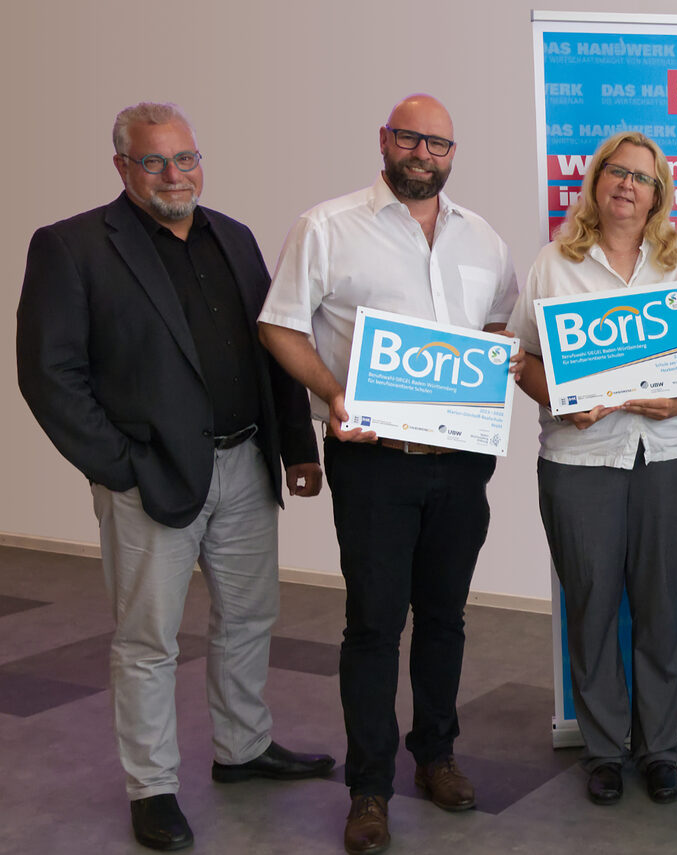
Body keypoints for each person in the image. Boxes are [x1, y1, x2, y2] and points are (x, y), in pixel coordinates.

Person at [15, 101, 334, 852]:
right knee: (148, 640)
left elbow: (274, 345)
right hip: (149, 480)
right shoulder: (72, 247)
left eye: (185, 158)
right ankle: (152, 786)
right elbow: (49, 374)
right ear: (121, 165)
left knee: (249, 618)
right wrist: (119, 468)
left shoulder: (236, 236)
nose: (173, 174)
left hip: (245, 462)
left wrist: (297, 446)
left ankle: (244, 747)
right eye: (154, 160)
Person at [257, 94, 518, 855]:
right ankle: (368, 786)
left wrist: (493, 363)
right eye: (410, 138)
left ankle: (435, 755)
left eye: (438, 143)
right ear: (385, 140)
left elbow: (499, 326)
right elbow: (279, 322)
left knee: (445, 616)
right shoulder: (327, 227)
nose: (423, 154)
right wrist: (333, 394)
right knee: (374, 623)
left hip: (461, 461)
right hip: (373, 460)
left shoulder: (483, 239)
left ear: (452, 152)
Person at [510, 131, 677, 807]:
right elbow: (524, 360)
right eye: (616, 173)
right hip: (580, 461)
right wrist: (558, 398)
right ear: (596, 182)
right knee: (593, 606)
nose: (627, 185)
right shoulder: (553, 263)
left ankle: (659, 749)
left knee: (661, 608)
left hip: (669, 457)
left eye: (641, 177)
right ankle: (604, 750)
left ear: (658, 192)